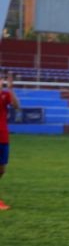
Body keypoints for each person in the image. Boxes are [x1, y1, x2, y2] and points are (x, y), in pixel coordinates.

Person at [0, 73, 20, 211]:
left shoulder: (5, 95)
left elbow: (16, 106)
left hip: (3, 136)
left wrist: (11, 89)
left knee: (2, 169)